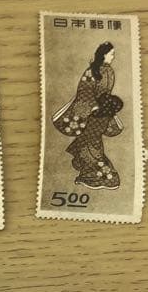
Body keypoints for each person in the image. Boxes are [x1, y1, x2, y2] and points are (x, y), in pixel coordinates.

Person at [52, 41, 123, 190]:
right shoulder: (92, 71)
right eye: (111, 54)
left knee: (91, 143)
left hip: (103, 113)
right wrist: (94, 106)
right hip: (91, 113)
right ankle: (97, 175)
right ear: (103, 54)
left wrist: (107, 106)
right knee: (91, 144)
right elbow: (84, 92)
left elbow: (107, 93)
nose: (113, 56)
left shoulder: (110, 71)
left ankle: (93, 173)